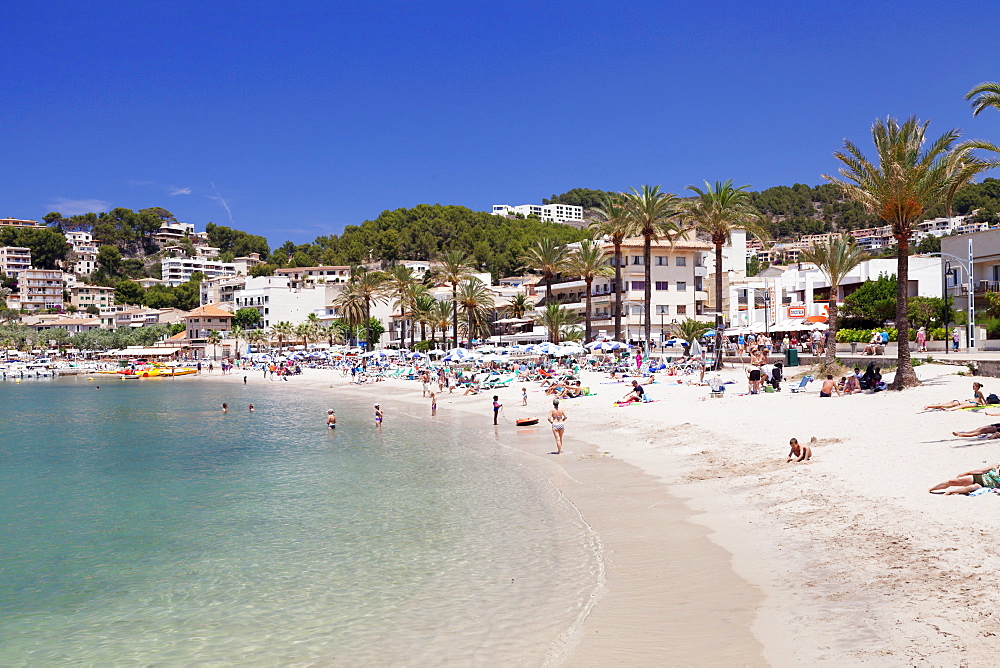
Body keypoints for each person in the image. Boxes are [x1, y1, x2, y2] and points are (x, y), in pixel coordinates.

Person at [929, 464, 1000, 494]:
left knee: (970, 488)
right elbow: (981, 471)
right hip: (979, 477)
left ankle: (951, 492)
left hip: (986, 485)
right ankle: (931, 489)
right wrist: (966, 473)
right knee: (952, 481)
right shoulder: (996, 466)